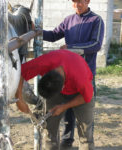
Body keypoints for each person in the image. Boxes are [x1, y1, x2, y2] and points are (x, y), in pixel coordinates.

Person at [43, 0, 104, 147]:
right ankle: (67, 141)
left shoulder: (96, 20)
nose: (77, 4)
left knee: (85, 116)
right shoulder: (69, 20)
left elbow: (95, 44)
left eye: (81, 1)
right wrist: (37, 31)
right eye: (74, 1)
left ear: (88, 1)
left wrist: (70, 47)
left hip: (85, 74)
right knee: (67, 109)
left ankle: (86, 142)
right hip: (68, 75)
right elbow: (53, 35)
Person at [15, 49, 94, 150]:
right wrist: (19, 99)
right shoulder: (45, 62)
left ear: (63, 87)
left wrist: (64, 107)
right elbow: (20, 72)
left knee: (85, 132)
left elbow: (87, 97)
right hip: (59, 86)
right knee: (49, 127)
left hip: (81, 94)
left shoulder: (80, 78)